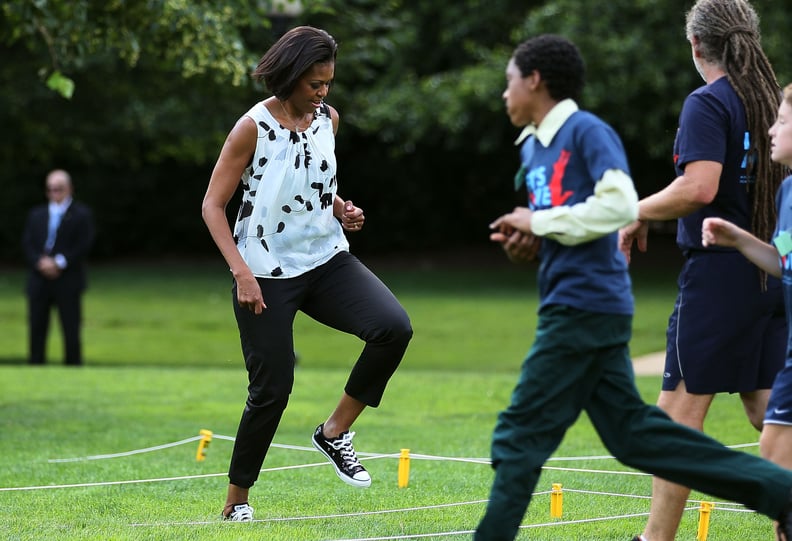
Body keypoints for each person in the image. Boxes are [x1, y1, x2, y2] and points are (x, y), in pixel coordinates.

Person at [475, 33, 792, 541]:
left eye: (509, 80)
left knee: (518, 435)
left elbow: (619, 204)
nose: (504, 93)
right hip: (575, 303)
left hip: (584, 308)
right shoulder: (534, 148)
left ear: (534, 80)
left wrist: (542, 222)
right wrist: (529, 241)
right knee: (637, 437)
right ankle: (782, 493)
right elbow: (569, 226)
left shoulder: (584, 130)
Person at [201, 26, 413, 522]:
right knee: (271, 389)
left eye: (328, 84)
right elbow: (213, 206)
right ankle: (237, 502)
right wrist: (242, 274)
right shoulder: (251, 128)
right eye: (315, 84)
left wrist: (340, 208)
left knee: (393, 328)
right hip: (264, 271)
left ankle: (334, 432)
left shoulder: (327, 120)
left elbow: (310, 180)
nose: (323, 93)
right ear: (292, 76)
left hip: (325, 258)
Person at [617, 2, 787, 539]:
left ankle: (654, 538)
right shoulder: (766, 100)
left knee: (675, 420)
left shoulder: (708, 102)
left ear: (695, 46)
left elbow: (699, 188)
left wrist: (635, 211)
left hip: (719, 278)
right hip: (770, 272)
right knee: (769, 413)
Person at [702, 82, 792, 471]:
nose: (771, 131)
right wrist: (738, 239)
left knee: (775, 449)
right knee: (775, 449)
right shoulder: (787, 191)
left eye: (783, 121)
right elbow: (783, 263)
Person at [21, 169, 95, 366]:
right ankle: (35, 368)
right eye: (50, 189)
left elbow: (84, 244)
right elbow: (28, 243)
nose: (54, 193)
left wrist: (60, 262)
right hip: (39, 279)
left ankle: (73, 368)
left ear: (69, 189)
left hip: (68, 279)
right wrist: (40, 262)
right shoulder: (36, 214)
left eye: (59, 189)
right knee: (36, 328)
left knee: (70, 329)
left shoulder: (81, 215)